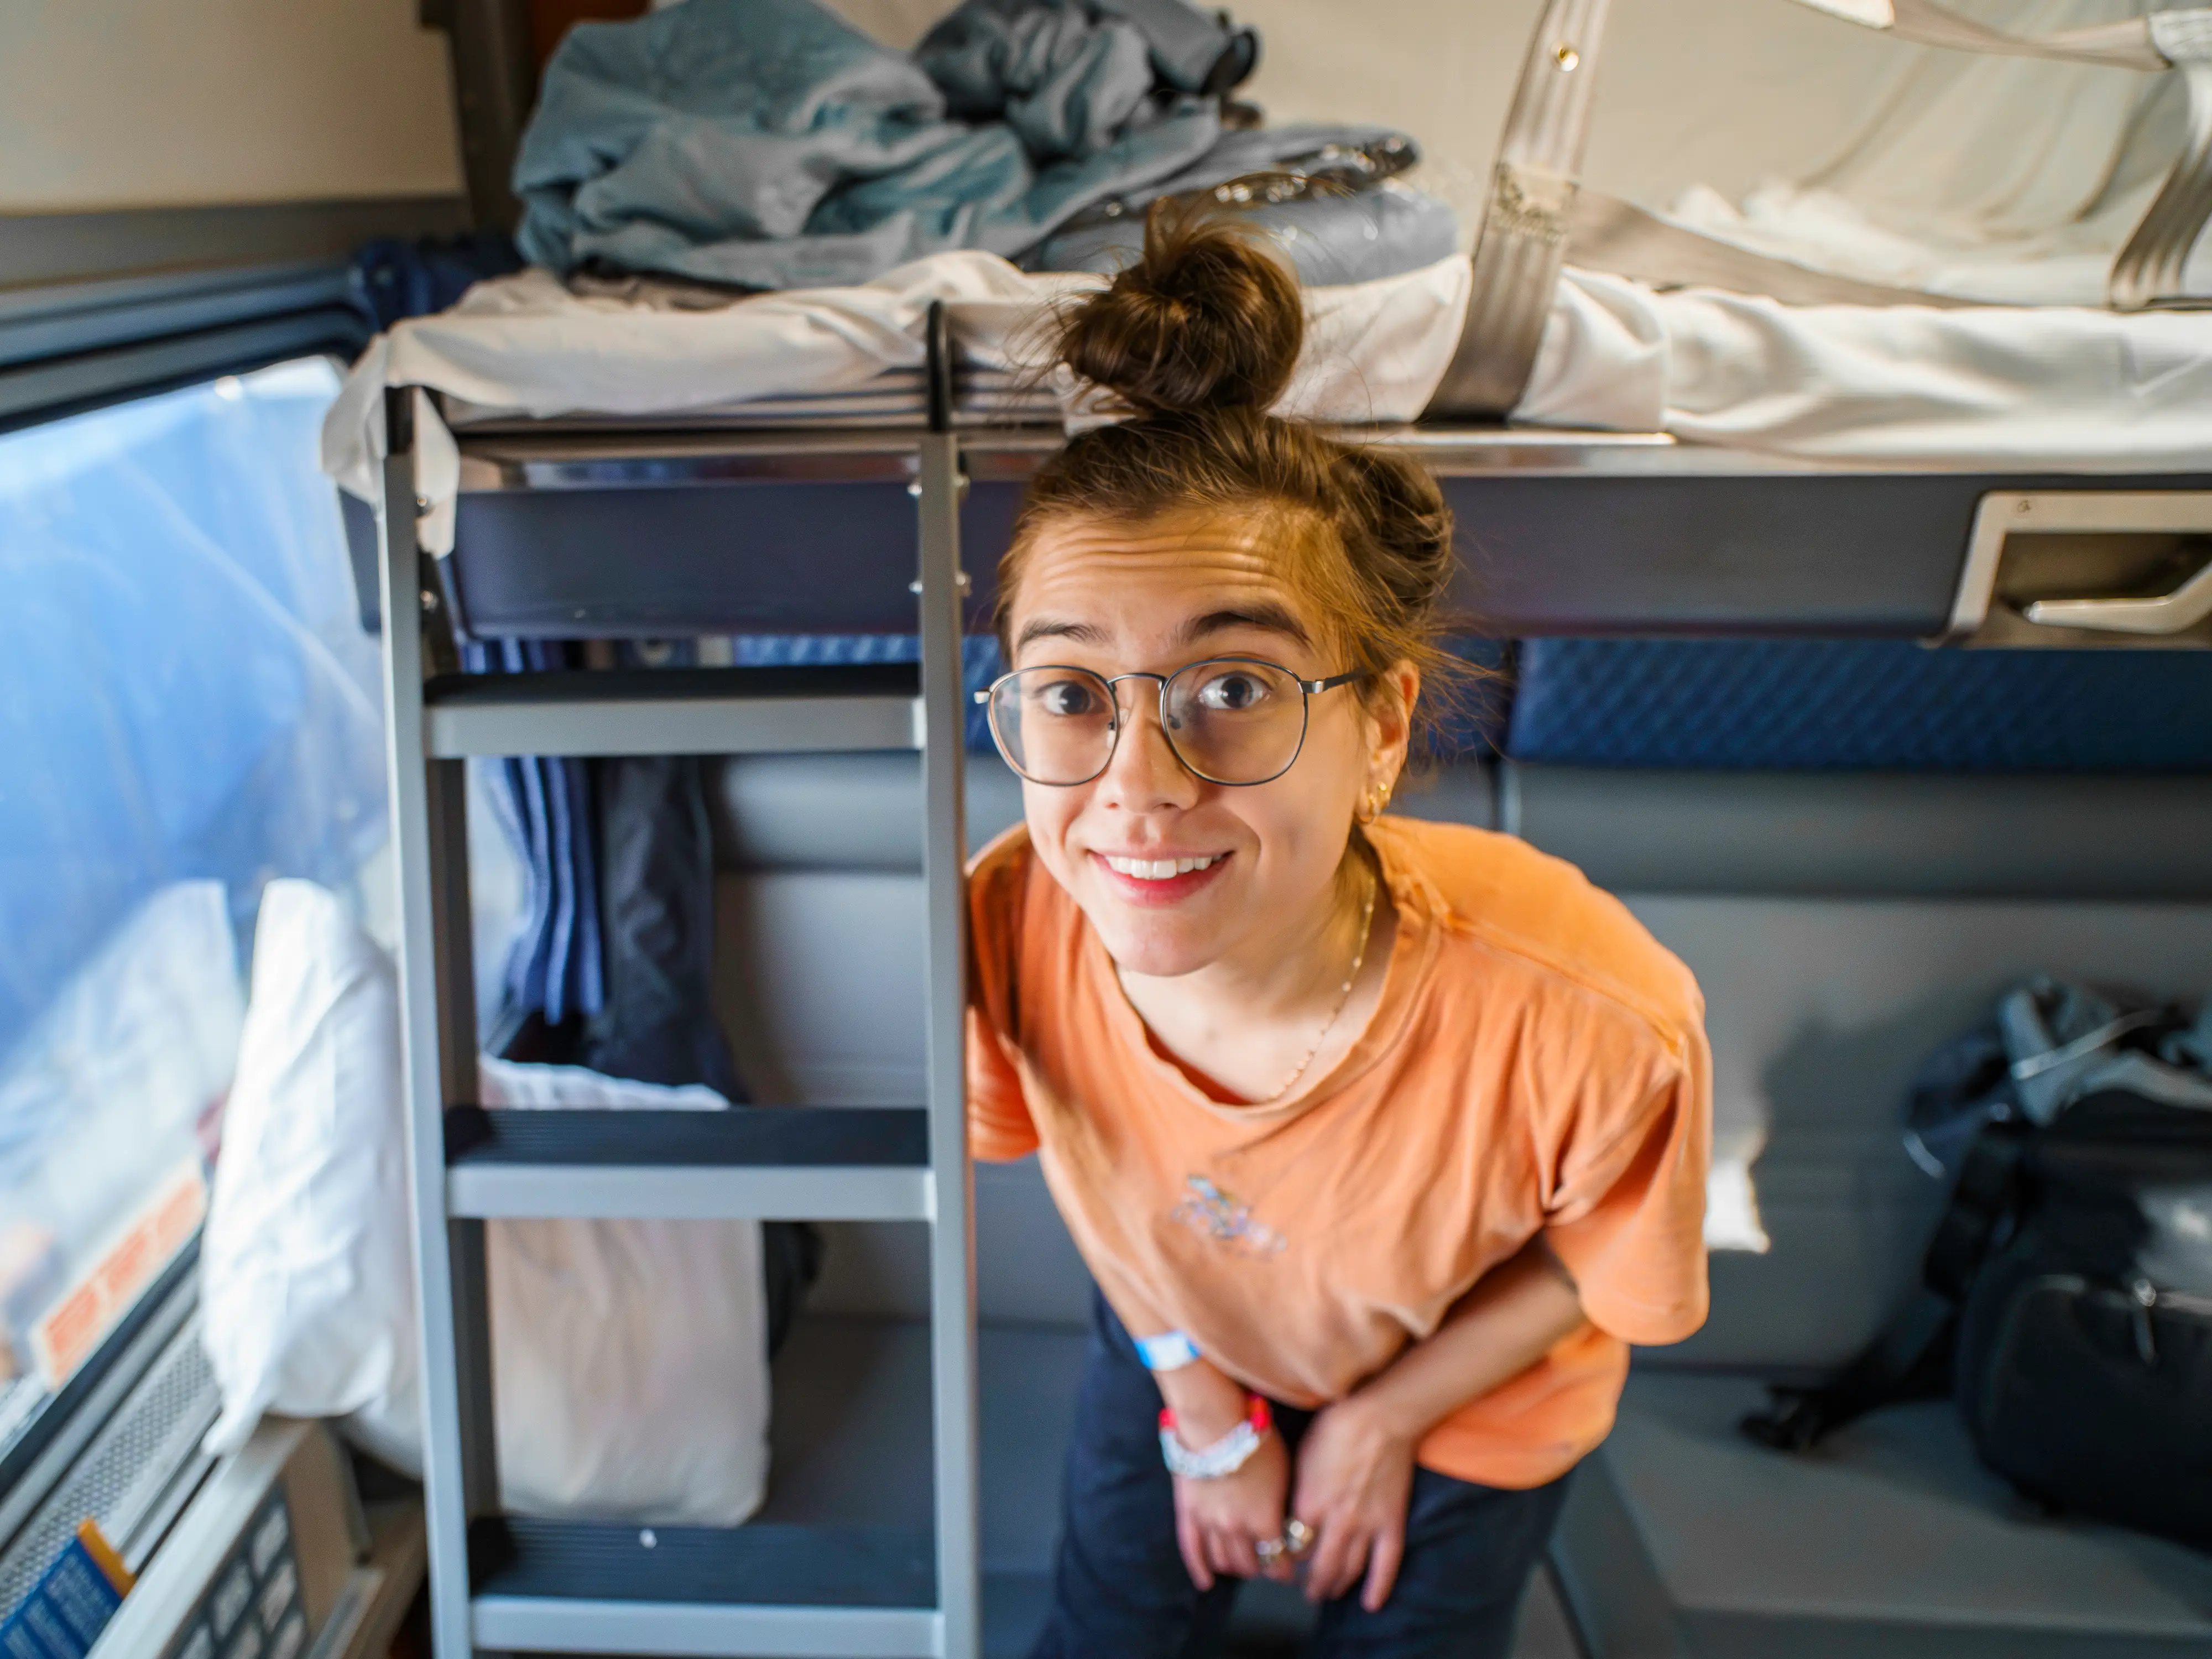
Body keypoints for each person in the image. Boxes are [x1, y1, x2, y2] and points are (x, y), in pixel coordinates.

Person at [966, 200, 1713, 1659]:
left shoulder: (1590, 1012)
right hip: (1184, 1325)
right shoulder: (1019, 911)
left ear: (1378, 730)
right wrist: (1197, 1401)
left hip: (1470, 1381)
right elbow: (1095, 1168)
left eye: (1233, 690)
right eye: (1070, 695)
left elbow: (1593, 1265)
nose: (1136, 792)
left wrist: (1379, 1419)